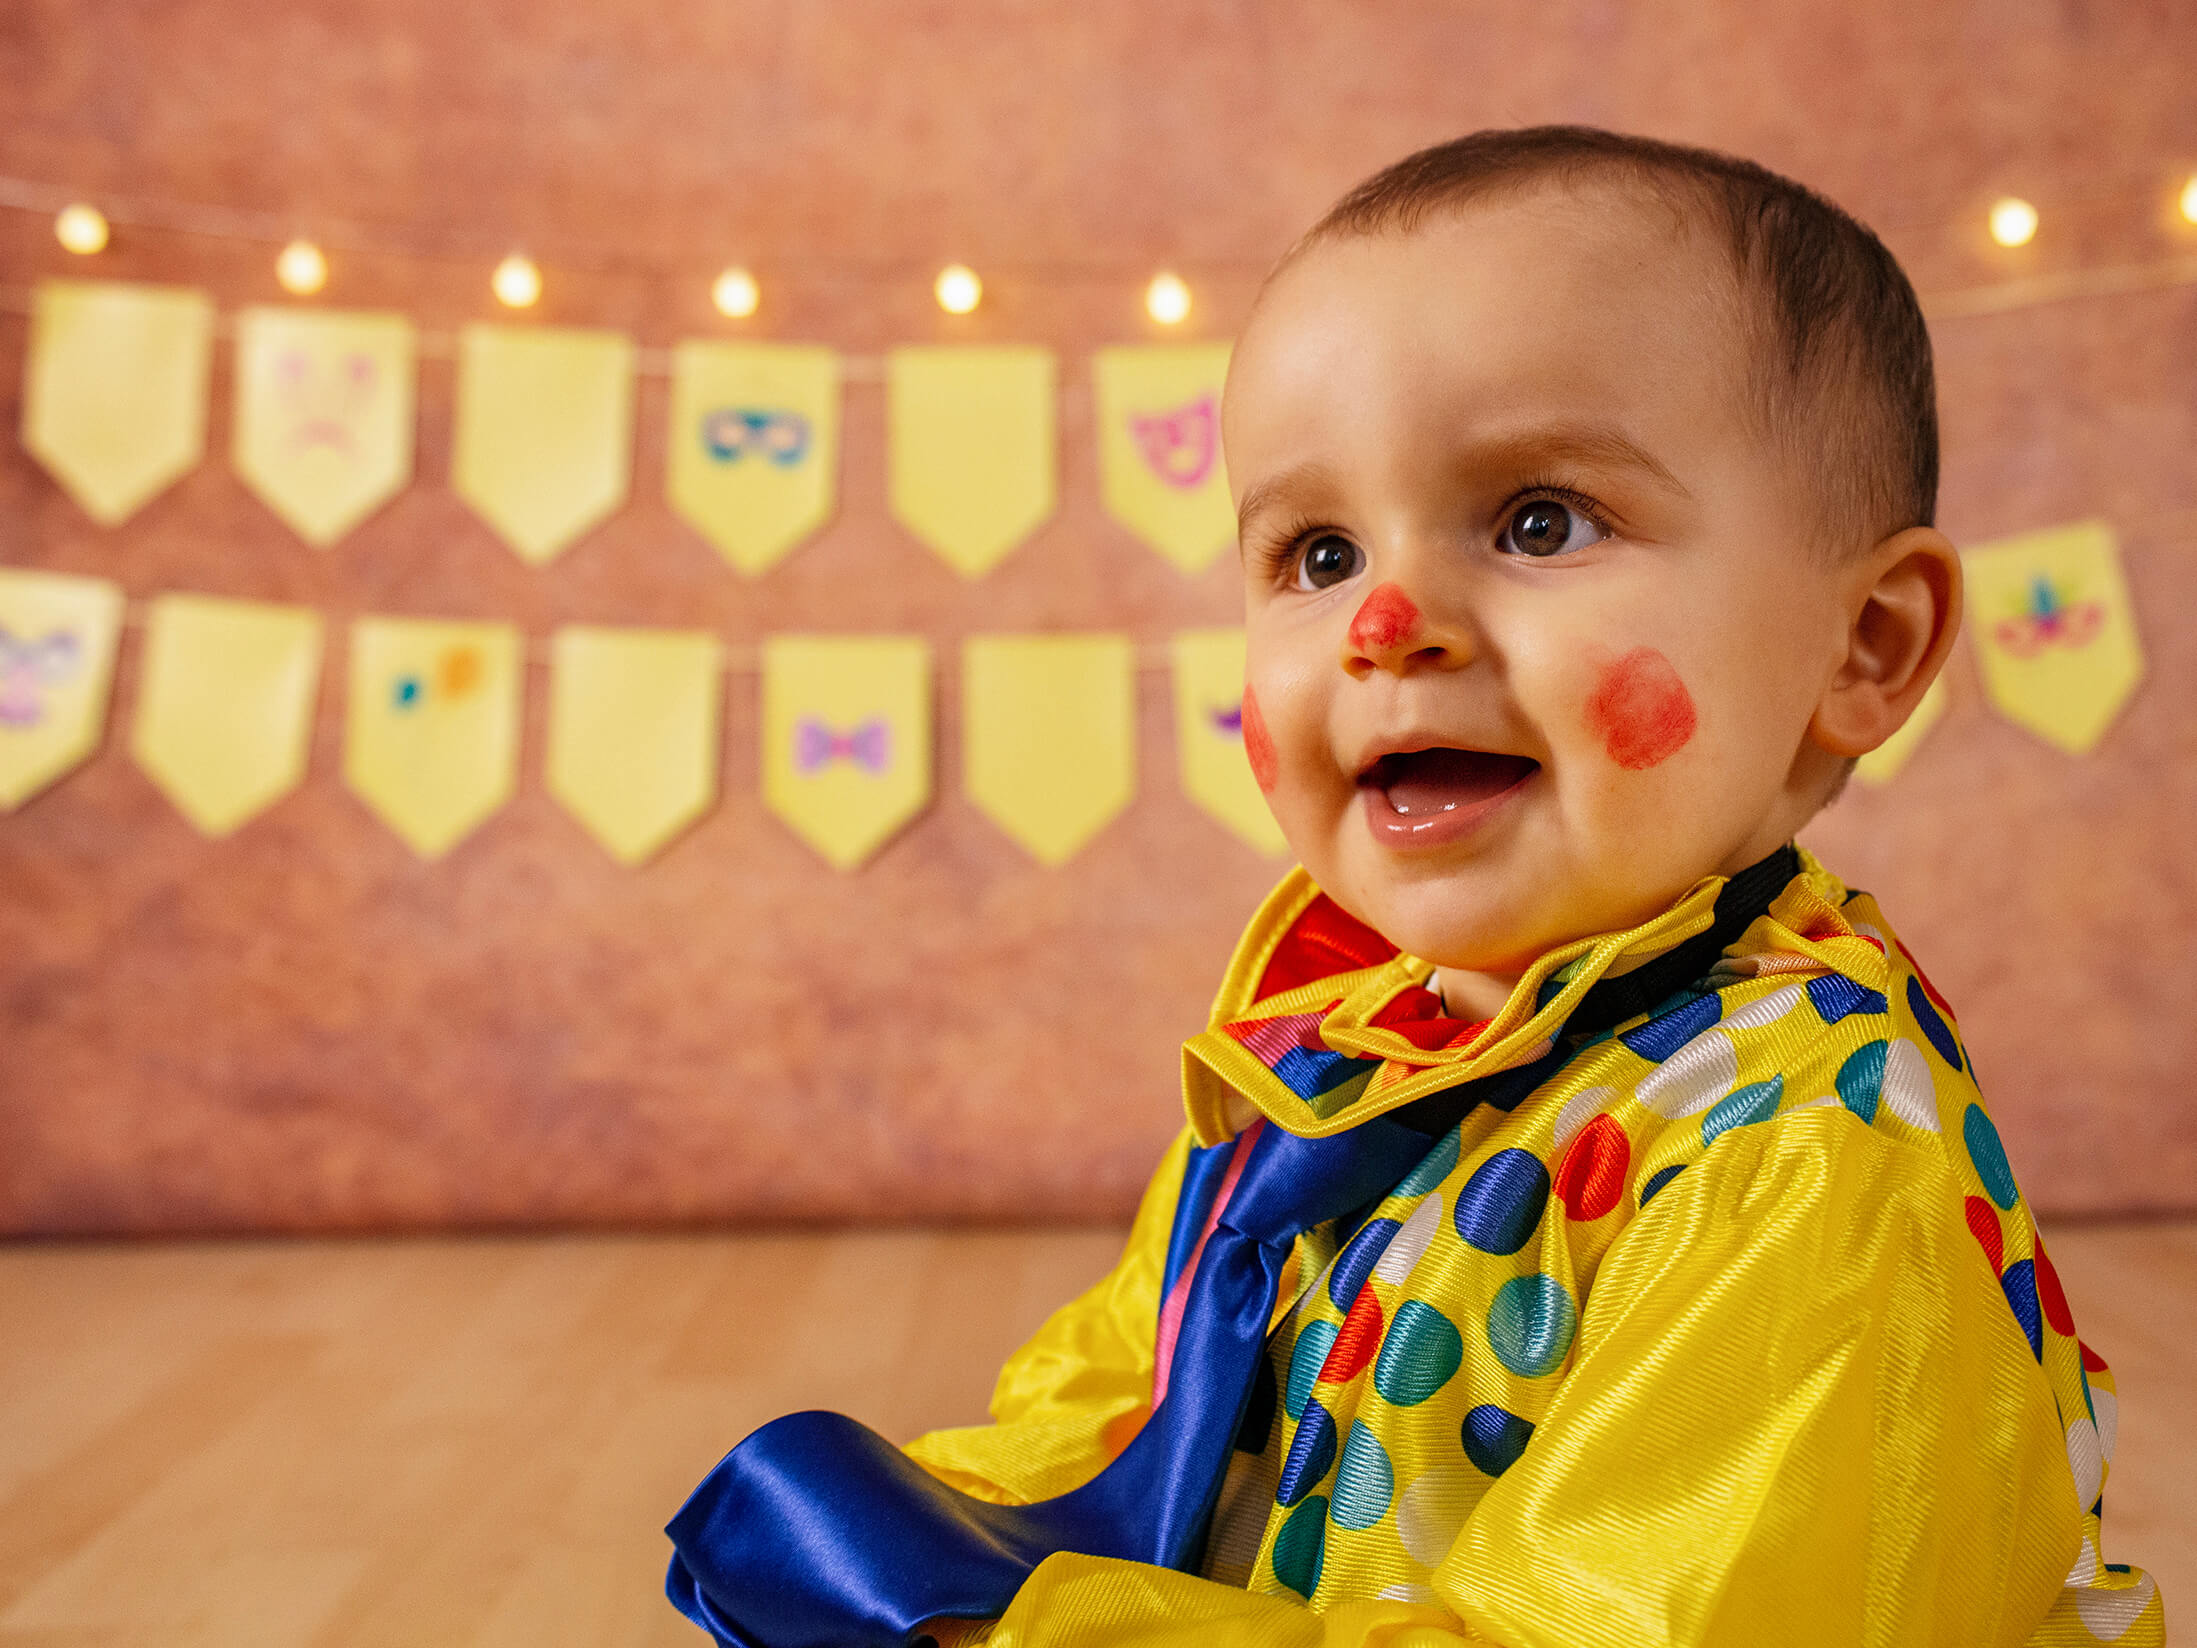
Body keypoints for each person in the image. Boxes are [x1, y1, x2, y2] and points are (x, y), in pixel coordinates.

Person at [663, 127, 2163, 1648]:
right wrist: (941, 1554)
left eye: (1538, 522)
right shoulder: (1326, 1050)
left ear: (1865, 646)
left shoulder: (1802, 1165)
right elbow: (1132, 1401)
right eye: (1314, 553)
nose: (1384, 622)